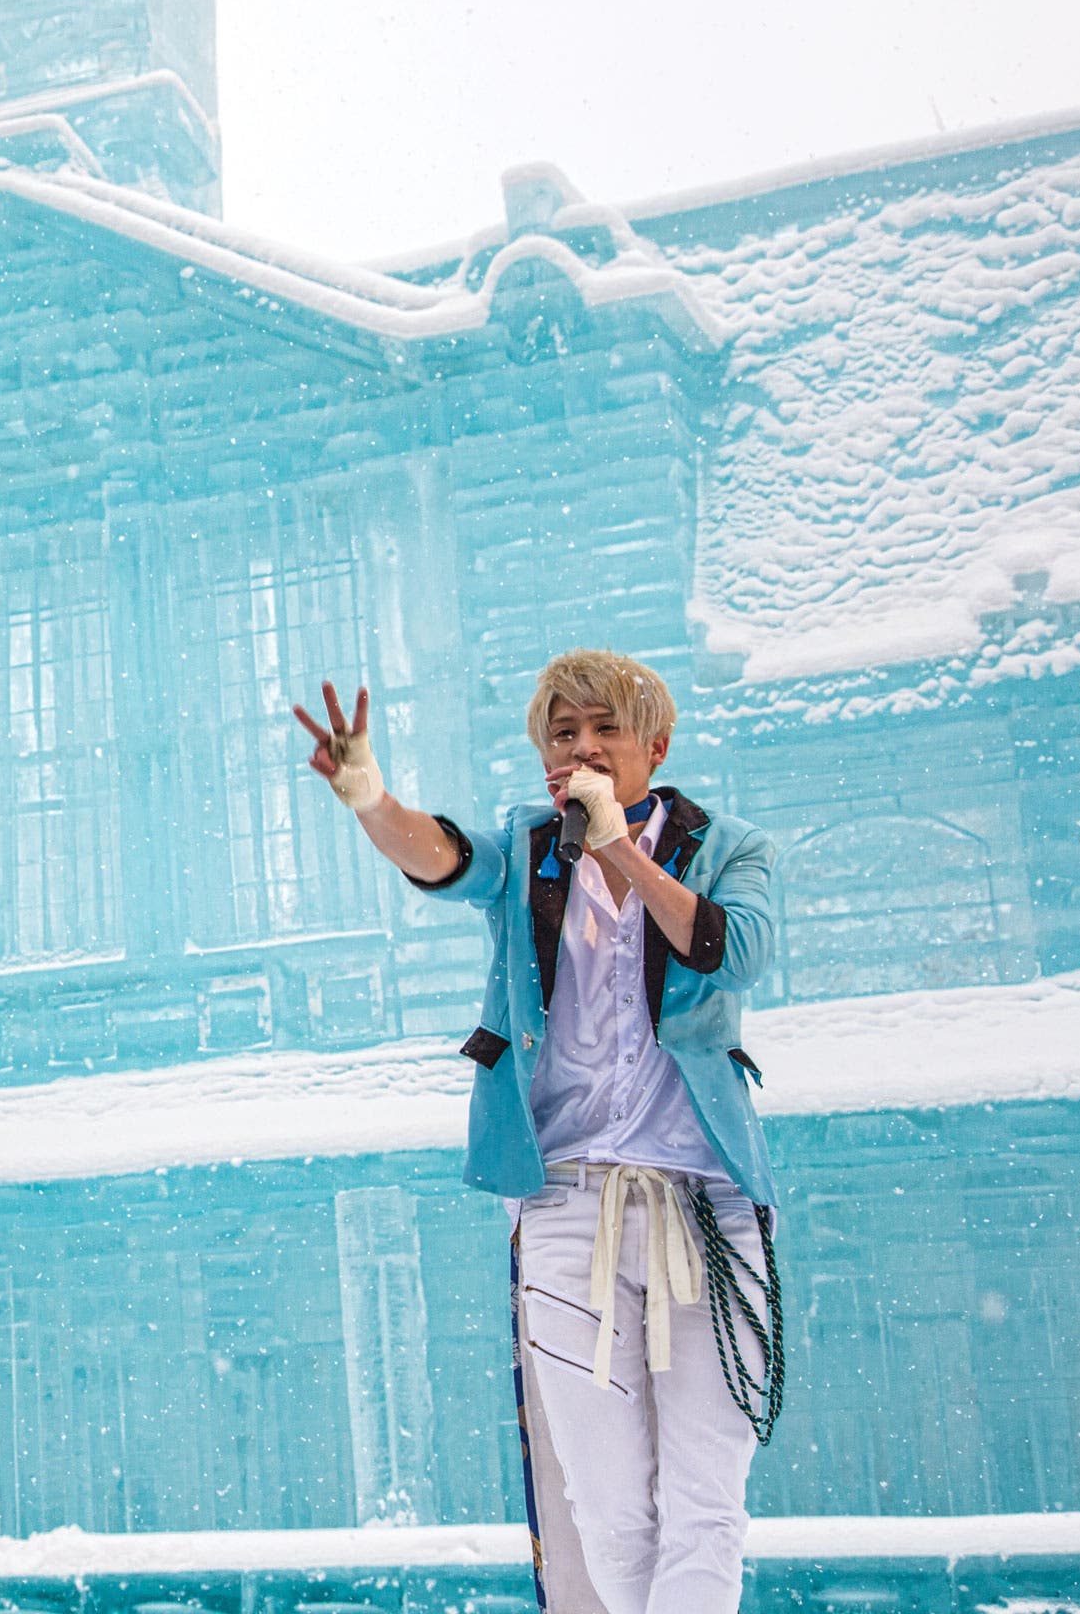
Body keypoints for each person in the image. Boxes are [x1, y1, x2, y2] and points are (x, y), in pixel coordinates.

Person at [293, 649, 782, 1614]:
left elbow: (734, 952)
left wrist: (619, 852)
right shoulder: (526, 852)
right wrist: (368, 797)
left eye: (605, 730)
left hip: (707, 1205)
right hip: (565, 1203)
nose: (585, 750)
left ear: (657, 746)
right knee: (608, 1510)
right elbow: (443, 855)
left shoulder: (730, 846)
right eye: (564, 735)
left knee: (704, 1506)